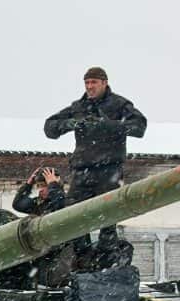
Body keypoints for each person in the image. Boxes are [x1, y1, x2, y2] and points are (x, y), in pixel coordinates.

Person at [44, 67, 146, 272]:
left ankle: (107, 264)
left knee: (107, 216)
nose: (90, 87)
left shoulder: (119, 104)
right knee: (74, 215)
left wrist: (107, 125)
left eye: (94, 83)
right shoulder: (79, 106)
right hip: (82, 171)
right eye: (87, 83)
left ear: (104, 83)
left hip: (109, 170)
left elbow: (139, 127)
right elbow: (50, 128)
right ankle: (82, 262)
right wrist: (72, 123)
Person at [7, 166, 73, 287]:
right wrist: (28, 185)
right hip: (43, 251)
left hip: (60, 253)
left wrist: (53, 185)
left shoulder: (66, 200)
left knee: (55, 282)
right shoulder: (40, 204)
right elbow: (18, 205)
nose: (41, 189)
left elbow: (59, 207)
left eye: (44, 185)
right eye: (39, 186)